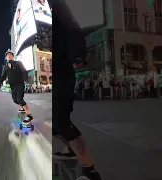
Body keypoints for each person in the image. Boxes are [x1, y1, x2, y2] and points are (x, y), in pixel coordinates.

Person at [52, 0, 102, 180]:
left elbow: (74, 28)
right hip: (56, 73)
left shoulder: (56, 6)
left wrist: (78, 55)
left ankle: (91, 172)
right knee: (55, 124)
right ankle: (70, 149)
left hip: (62, 73)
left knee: (61, 123)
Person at [0, 49, 33, 125]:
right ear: (6, 57)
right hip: (12, 86)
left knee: (20, 99)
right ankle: (23, 108)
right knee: (15, 100)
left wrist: (25, 78)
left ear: (13, 56)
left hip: (20, 84)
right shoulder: (6, 67)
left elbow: (24, 71)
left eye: (10, 54)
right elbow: (3, 76)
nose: (9, 55)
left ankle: (29, 116)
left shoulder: (18, 63)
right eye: (7, 55)